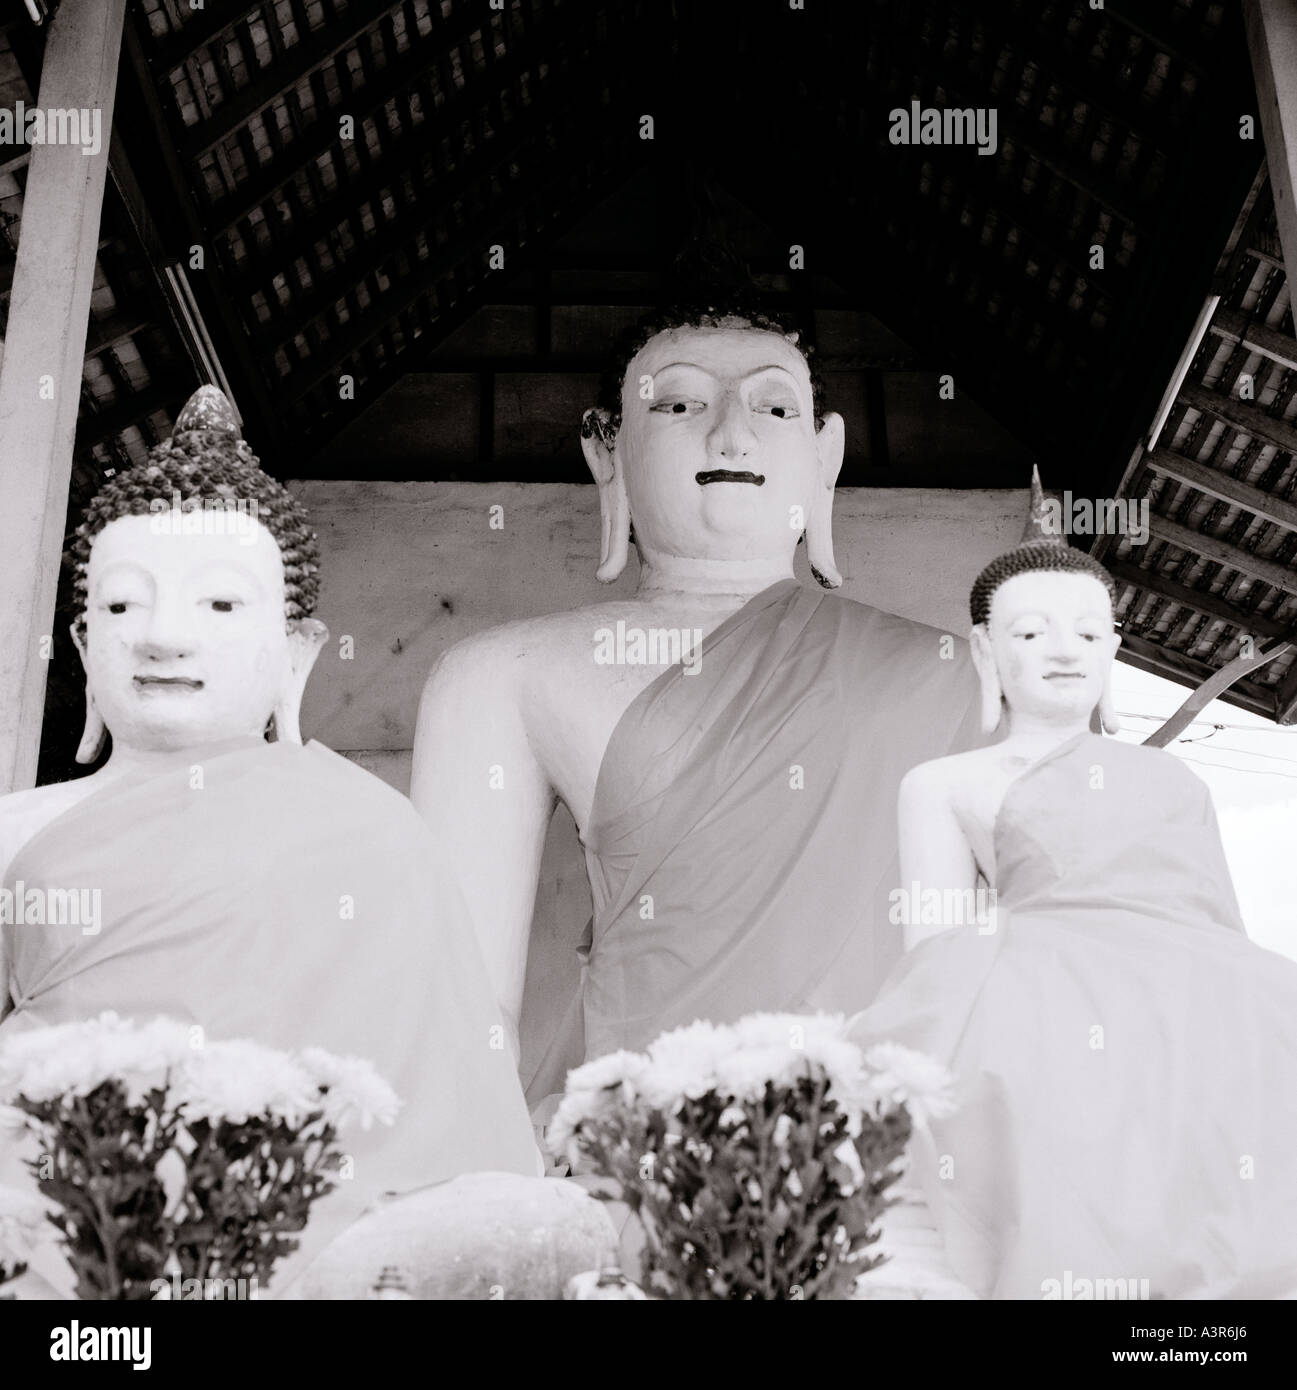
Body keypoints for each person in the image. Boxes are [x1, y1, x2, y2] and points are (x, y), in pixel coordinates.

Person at [0, 386, 540, 1294]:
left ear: (296, 656)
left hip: (305, 1252)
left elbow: (446, 1108)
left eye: (218, 606)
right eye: (125, 608)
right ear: (85, 645)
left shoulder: (371, 834)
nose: (164, 637)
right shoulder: (18, 831)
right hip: (55, 1244)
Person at [409, 298, 983, 1119]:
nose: (731, 435)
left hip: (892, 1154)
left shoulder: (953, 676)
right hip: (645, 1146)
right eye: (678, 404)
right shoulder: (504, 674)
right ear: (606, 451)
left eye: (775, 406)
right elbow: (460, 1013)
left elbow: (1038, 969)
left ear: (825, 456)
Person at [850, 474, 1297, 1298]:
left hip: (1200, 1014)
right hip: (1036, 1015)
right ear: (985, 650)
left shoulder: (1174, 785)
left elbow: (1220, 931)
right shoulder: (945, 782)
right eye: (1030, 632)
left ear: (1113, 652)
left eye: (1090, 635)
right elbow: (934, 954)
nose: (1064, 651)